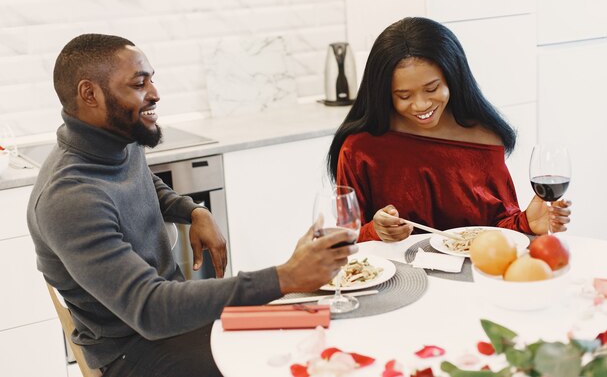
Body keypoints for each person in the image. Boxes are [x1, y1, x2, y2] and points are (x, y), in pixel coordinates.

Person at [27, 34, 358, 377]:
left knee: (312, 335)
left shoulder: (118, 139)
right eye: (140, 83)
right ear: (90, 94)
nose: (155, 93)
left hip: (176, 321)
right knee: (284, 363)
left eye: (151, 79)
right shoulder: (69, 197)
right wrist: (285, 276)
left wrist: (192, 210)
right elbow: (151, 309)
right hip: (133, 350)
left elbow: (143, 183)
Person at [327, 17, 572, 243]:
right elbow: (347, 239)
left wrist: (528, 222)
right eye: (404, 95)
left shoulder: (484, 137)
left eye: (432, 89)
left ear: (453, 77)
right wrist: (375, 231)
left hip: (475, 279)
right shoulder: (360, 148)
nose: (421, 105)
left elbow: (497, 229)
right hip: (397, 283)